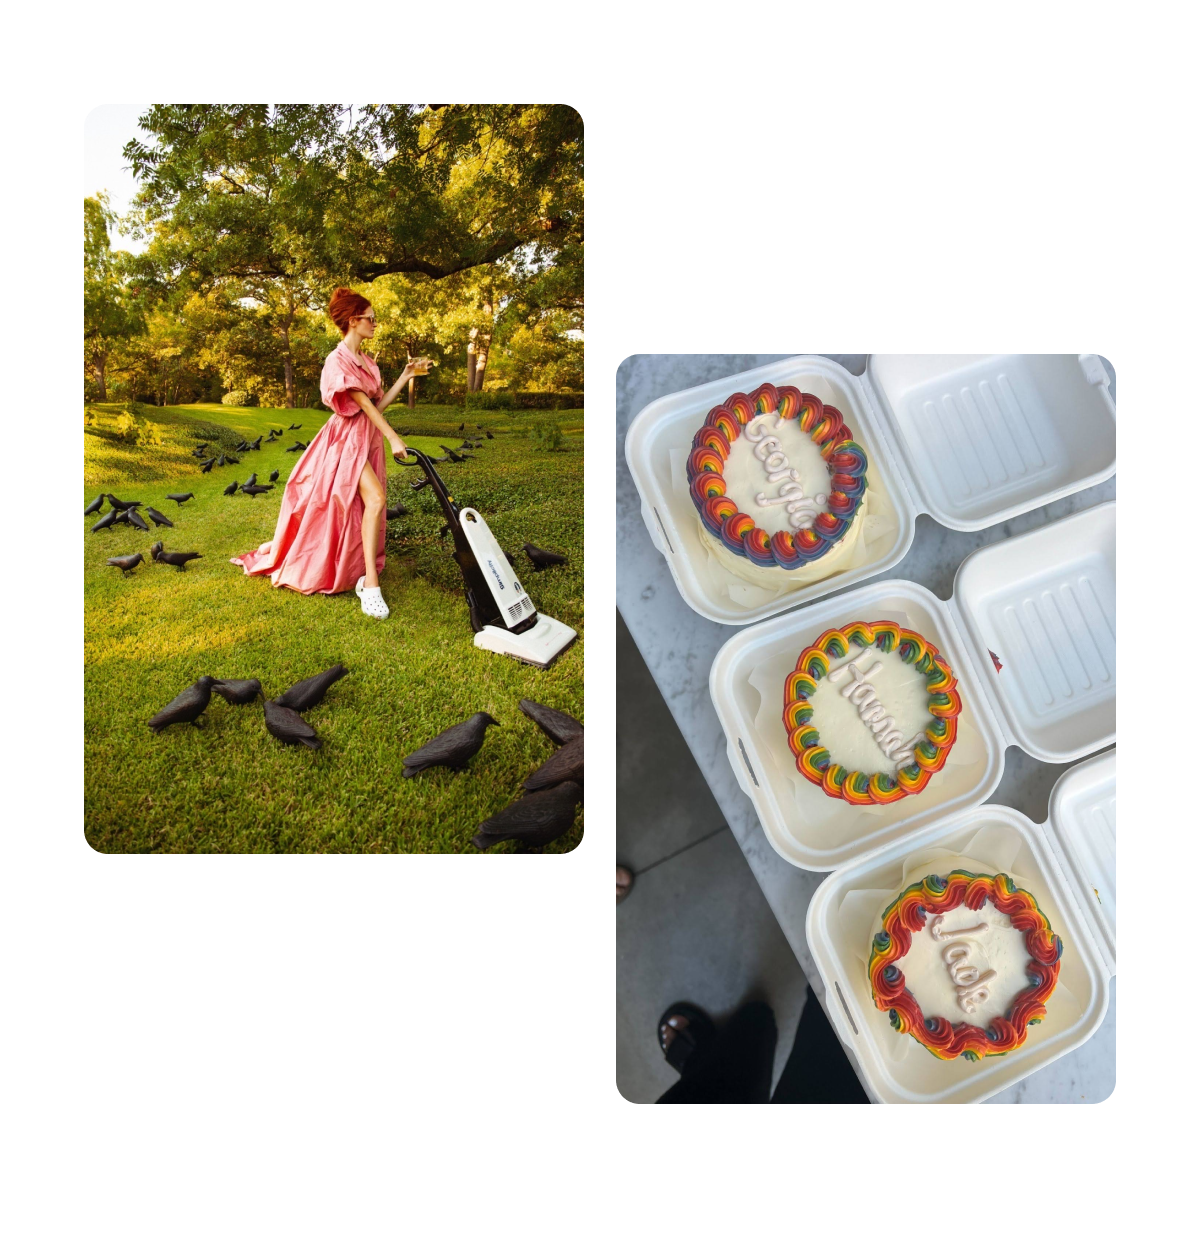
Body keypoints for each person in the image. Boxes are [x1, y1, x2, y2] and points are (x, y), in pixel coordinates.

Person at [230, 287, 420, 619]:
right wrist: (393, 438)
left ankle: (284, 548)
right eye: (370, 318)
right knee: (374, 500)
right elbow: (361, 405)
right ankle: (370, 585)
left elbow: (376, 405)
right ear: (353, 320)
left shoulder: (366, 361)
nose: (375, 323)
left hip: (365, 436)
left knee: (360, 505)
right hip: (345, 441)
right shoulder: (338, 360)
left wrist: (405, 376)